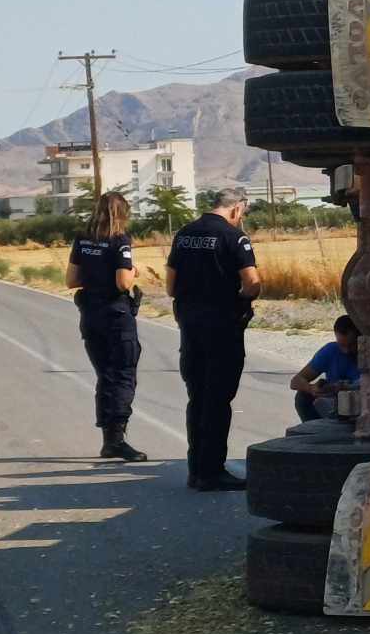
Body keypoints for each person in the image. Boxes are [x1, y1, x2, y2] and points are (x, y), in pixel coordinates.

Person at [165, 186, 260, 491]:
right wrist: (243, 300)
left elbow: (170, 286)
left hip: (190, 326)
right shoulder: (235, 237)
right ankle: (212, 471)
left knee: (198, 398)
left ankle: (196, 469)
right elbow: (252, 282)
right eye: (242, 213)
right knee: (218, 400)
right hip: (223, 326)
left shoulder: (184, 234)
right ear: (236, 209)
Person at [64, 191, 146, 462]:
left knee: (105, 376)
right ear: (122, 213)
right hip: (115, 315)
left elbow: (71, 280)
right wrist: (135, 272)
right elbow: (123, 282)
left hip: (90, 314)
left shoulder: (82, 238)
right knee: (122, 375)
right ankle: (117, 440)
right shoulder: (120, 240)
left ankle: (108, 439)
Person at [290, 315, 361, 421]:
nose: (346, 351)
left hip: (361, 405)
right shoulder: (330, 351)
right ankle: (313, 432)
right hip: (334, 406)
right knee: (302, 397)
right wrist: (312, 389)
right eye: (342, 345)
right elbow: (295, 381)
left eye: (351, 345)